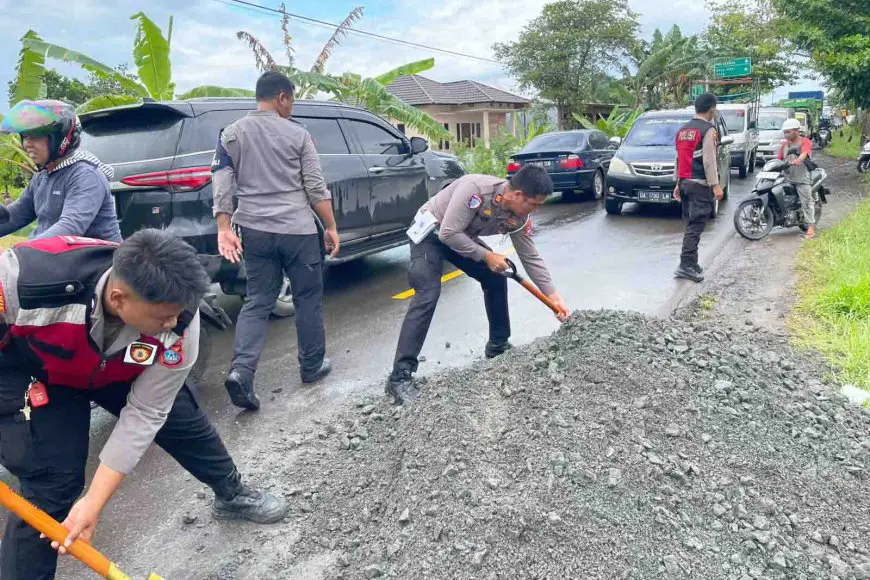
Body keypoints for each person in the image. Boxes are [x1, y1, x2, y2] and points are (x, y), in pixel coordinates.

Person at [0, 229, 287, 579]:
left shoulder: (180, 312)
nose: (173, 324)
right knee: (51, 482)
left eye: (177, 315)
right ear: (119, 299)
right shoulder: (23, 283)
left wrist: (94, 502)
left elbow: (148, 412)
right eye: (163, 318)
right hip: (39, 367)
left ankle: (231, 492)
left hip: (117, 367)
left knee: (182, 420)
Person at [386, 166, 570, 405]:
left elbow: (529, 255)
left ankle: (498, 345)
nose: (535, 210)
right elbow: (448, 234)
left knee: (496, 275)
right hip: (430, 233)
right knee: (428, 293)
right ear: (517, 195)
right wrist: (486, 255)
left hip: (461, 236)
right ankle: (400, 377)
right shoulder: (475, 190)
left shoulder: (519, 216)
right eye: (534, 205)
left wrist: (553, 296)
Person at [211, 71, 340, 411]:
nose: (291, 108)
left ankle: (241, 372)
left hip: (254, 230)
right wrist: (330, 226)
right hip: (297, 230)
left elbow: (221, 182)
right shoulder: (299, 134)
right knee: (307, 298)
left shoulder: (231, 134)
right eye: (291, 101)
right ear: (282, 97)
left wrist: (223, 226)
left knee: (258, 300)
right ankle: (311, 366)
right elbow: (315, 187)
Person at [0, 99, 122, 242]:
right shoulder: (42, 177)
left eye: (36, 136)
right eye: (25, 137)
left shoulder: (85, 175)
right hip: (54, 253)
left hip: (94, 254)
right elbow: (14, 216)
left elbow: (70, 226)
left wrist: (21, 251)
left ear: (59, 138)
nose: (28, 144)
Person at [673, 92, 723, 283]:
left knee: (690, 223)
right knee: (696, 225)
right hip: (699, 184)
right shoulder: (708, 130)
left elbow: (679, 158)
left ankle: (692, 263)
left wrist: (677, 183)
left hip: (685, 183)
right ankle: (686, 265)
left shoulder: (683, 130)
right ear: (712, 109)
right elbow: (709, 160)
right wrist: (716, 185)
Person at [778, 118, 817, 238]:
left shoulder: (805, 142)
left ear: (796, 131)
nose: (785, 135)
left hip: (802, 178)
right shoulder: (784, 145)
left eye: (788, 132)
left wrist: (799, 160)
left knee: (807, 202)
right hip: (787, 177)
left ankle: (811, 228)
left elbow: (805, 153)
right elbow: (778, 159)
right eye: (784, 132)